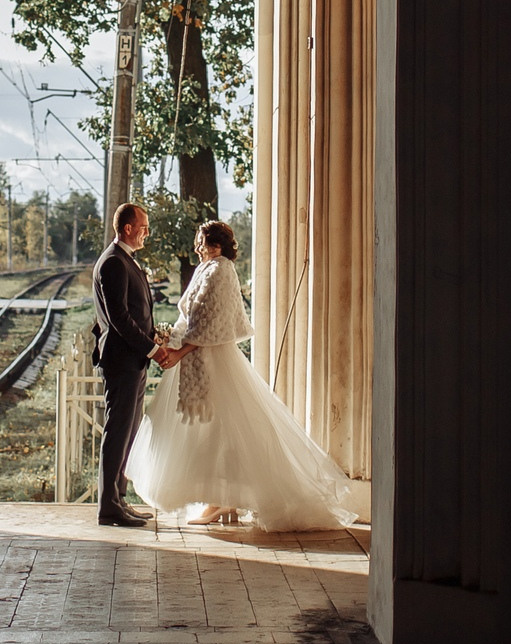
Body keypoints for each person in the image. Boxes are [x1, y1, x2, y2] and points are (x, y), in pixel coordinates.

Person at [127, 219, 357, 531]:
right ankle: (218, 498)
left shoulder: (221, 270)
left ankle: (224, 499)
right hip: (194, 358)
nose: (198, 248)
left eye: (202, 242)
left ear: (217, 245)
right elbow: (192, 316)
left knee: (224, 429)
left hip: (212, 361)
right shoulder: (206, 268)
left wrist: (180, 352)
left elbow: (212, 321)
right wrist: (170, 342)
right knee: (206, 433)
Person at [89, 201, 161, 527]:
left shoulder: (125, 261)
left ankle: (119, 498)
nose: (147, 231)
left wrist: (154, 335)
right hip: (122, 362)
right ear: (128, 228)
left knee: (128, 433)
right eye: (144, 226)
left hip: (134, 361)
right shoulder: (113, 263)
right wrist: (150, 349)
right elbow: (118, 317)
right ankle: (109, 507)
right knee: (117, 433)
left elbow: (135, 310)